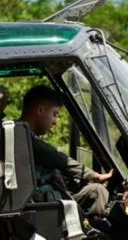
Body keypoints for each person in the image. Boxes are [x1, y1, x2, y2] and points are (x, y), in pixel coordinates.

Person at [19, 85, 113, 217]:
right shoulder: (23, 136)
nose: (55, 122)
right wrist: (95, 176)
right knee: (97, 191)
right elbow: (57, 158)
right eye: (54, 114)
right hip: (42, 206)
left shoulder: (19, 133)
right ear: (40, 110)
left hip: (41, 201)